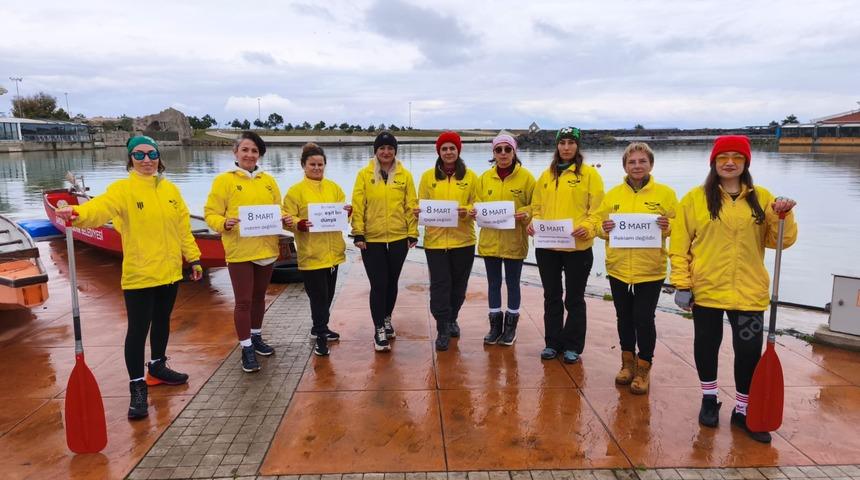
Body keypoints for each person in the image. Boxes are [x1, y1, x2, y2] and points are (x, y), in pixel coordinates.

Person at [55, 135, 203, 420]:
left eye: (152, 154)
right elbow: (99, 209)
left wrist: (193, 258)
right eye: (139, 155)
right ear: (130, 159)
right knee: (138, 330)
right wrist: (76, 212)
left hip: (170, 271)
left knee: (162, 321)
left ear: (159, 157)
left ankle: (158, 366)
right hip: (139, 274)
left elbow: (183, 229)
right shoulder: (122, 189)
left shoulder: (171, 190)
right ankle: (137, 386)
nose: (147, 160)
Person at [670, 135, 797, 443]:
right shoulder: (694, 199)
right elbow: (679, 245)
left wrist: (784, 215)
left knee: (749, 353)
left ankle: (744, 410)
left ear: (745, 163)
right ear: (713, 163)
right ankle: (709, 399)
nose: (729, 162)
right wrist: (682, 284)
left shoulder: (763, 197)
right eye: (723, 157)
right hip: (708, 290)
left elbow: (780, 241)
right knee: (707, 346)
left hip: (749, 293)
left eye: (737, 158)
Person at [204, 131, 292, 373]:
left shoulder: (268, 181)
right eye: (245, 150)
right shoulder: (225, 181)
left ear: (259, 155)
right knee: (243, 301)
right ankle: (246, 348)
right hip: (240, 251)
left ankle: (256, 336)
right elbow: (211, 213)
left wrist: (284, 218)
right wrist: (223, 223)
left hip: (265, 248)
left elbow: (279, 210)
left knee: (259, 297)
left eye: (254, 151)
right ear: (236, 152)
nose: (250, 155)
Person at [594, 142, 677, 394]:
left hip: (650, 269)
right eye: (632, 162)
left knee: (643, 318)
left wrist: (667, 226)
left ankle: (644, 367)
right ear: (625, 166)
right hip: (618, 267)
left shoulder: (665, 194)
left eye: (642, 161)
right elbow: (599, 225)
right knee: (624, 317)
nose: (637, 166)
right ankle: (626, 363)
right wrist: (603, 230)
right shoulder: (613, 195)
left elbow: (680, 225)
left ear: (650, 164)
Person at [528, 126, 604, 363]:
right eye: (563, 143)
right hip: (547, 247)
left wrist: (589, 227)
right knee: (551, 296)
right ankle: (552, 343)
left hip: (577, 248)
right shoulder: (546, 175)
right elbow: (536, 207)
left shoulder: (590, 175)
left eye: (571, 143)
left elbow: (599, 211)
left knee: (574, 298)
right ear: (557, 146)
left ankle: (572, 345)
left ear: (578, 146)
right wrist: (533, 222)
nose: (566, 147)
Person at [351, 131, 419, 352]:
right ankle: (378, 327)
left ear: (395, 151)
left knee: (392, 282)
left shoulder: (405, 175)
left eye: (390, 148)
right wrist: (358, 233)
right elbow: (358, 204)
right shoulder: (364, 175)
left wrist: (413, 232)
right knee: (378, 284)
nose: (386, 152)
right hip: (372, 239)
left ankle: (387, 318)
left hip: (399, 237)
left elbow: (411, 206)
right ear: (376, 151)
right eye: (382, 148)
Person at [283, 143, 350, 356]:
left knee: (328, 295)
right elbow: (286, 218)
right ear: (303, 165)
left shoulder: (334, 188)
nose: (316, 168)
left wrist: (347, 212)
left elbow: (340, 211)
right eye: (312, 164)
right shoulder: (295, 191)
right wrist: (298, 223)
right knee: (318, 297)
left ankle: (320, 326)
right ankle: (320, 335)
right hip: (311, 253)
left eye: (320, 164)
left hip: (332, 253)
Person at [416, 131, 479, 351]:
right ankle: (442, 327)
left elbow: (477, 203)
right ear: (439, 152)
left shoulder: (471, 177)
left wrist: (468, 210)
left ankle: (453, 318)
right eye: (444, 148)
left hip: (463, 240)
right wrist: (418, 213)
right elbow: (421, 203)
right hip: (435, 242)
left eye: (452, 148)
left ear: (458, 150)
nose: (449, 152)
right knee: (440, 285)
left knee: (459, 285)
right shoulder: (427, 177)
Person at [471, 133, 535, 345]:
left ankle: (510, 328)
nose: (503, 153)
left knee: (513, 283)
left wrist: (525, 213)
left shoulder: (527, 178)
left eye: (508, 149)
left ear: (514, 151)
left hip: (514, 242)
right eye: (499, 150)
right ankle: (495, 326)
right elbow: (477, 203)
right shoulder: (484, 178)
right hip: (490, 242)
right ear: (494, 153)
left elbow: (535, 206)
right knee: (493, 284)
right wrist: (474, 212)